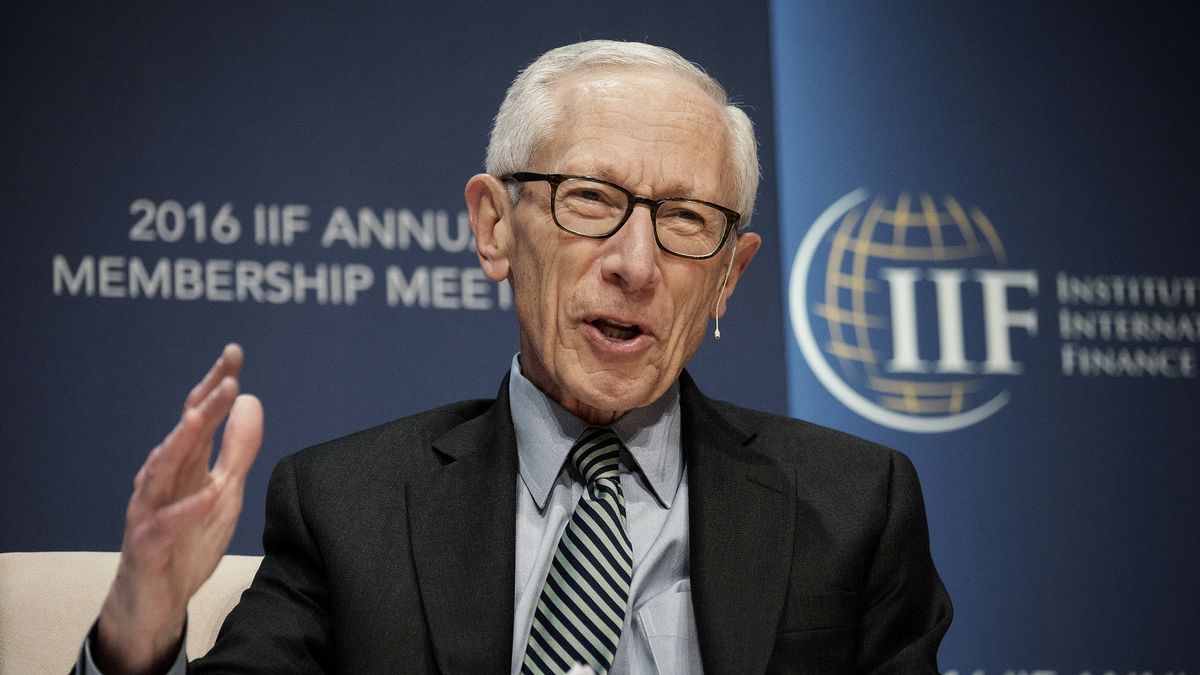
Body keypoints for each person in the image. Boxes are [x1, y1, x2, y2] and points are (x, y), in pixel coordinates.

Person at [81, 40, 951, 674]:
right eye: (590, 198)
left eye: (687, 220)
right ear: (494, 227)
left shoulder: (854, 508)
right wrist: (136, 638)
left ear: (730, 273)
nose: (636, 263)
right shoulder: (349, 509)